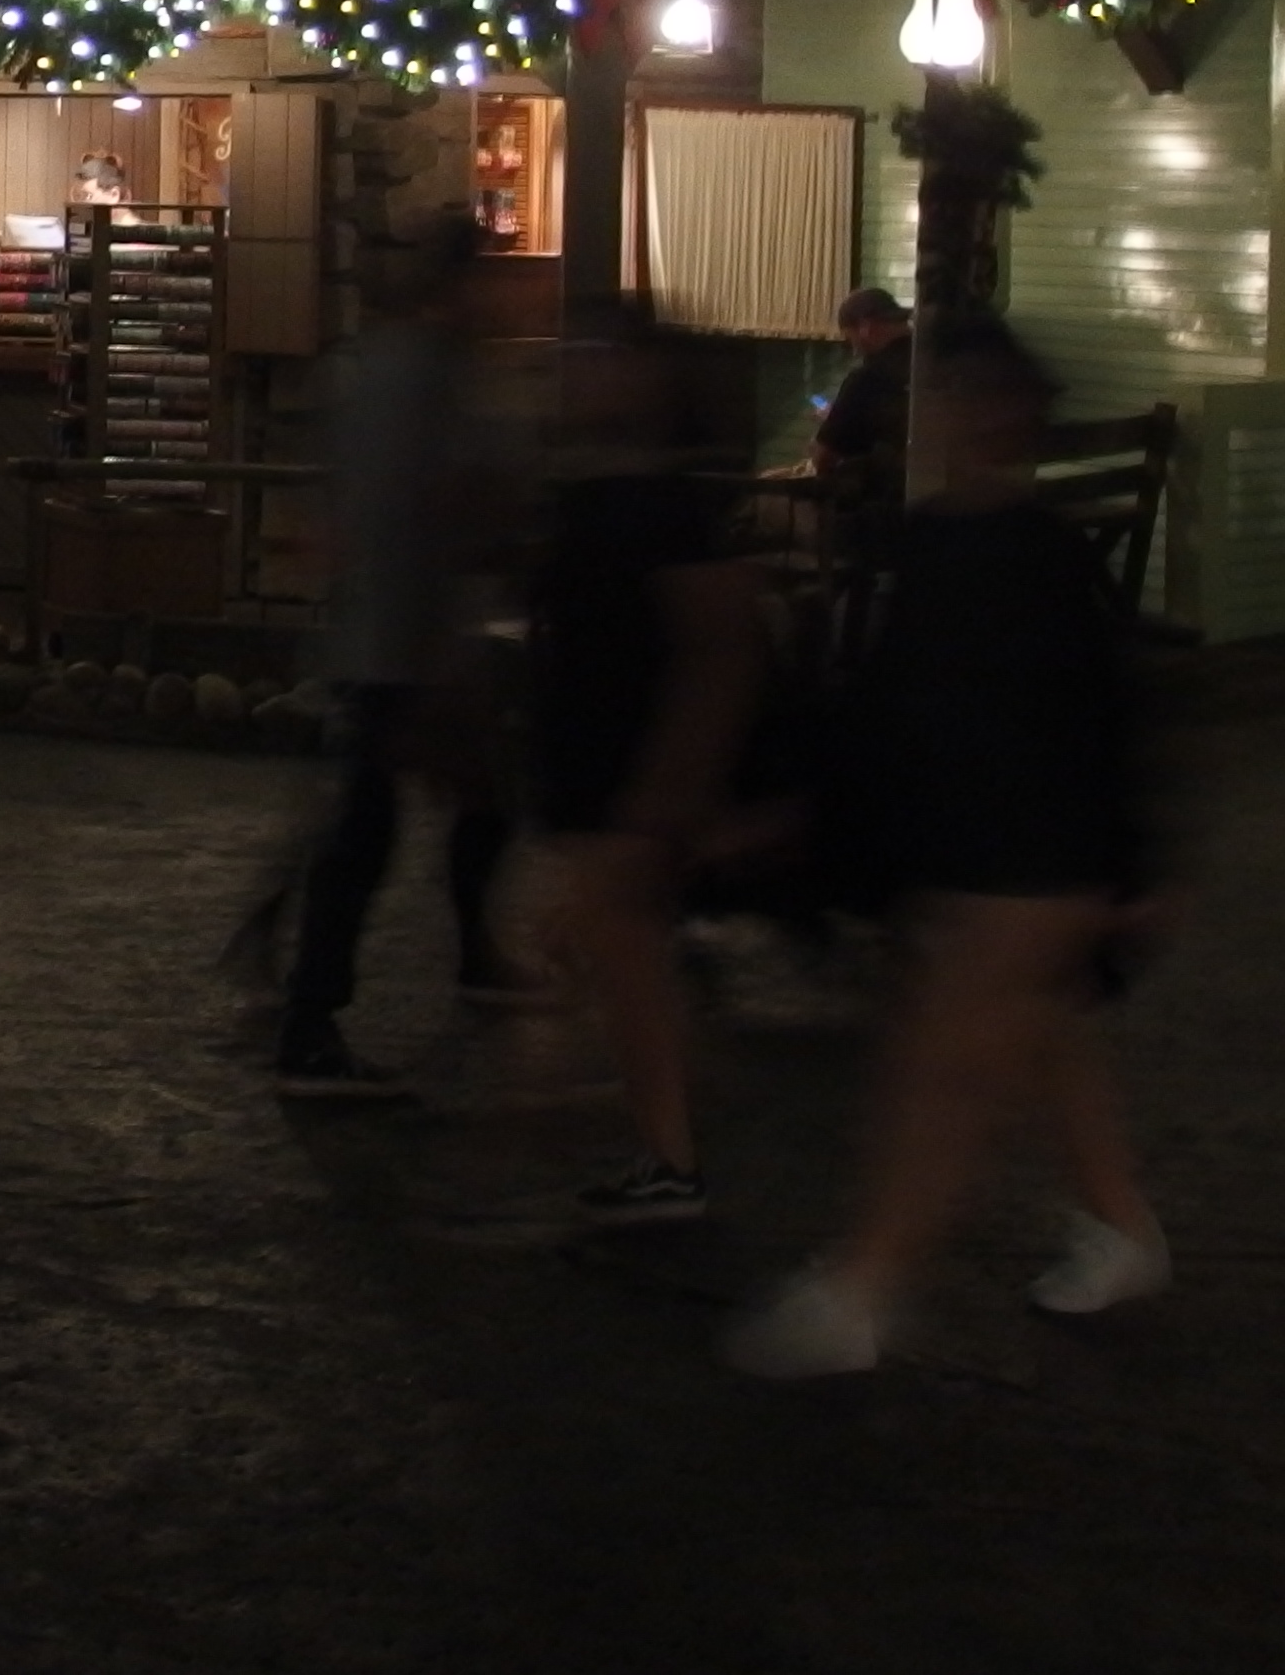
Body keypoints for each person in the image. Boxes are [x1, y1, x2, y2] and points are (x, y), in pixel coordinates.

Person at [728, 313, 1171, 1377]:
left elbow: (1087, 716)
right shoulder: (951, 545)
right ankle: (1119, 1228)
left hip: (1027, 857)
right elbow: (894, 705)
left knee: (943, 1072)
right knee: (1037, 1036)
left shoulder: (1017, 557)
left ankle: (861, 1291)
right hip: (999, 855)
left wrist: (1125, 865)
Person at [526, 314, 767, 1223]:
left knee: (621, 958)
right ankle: (667, 1145)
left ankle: (671, 1156)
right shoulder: (603, 495)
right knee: (615, 954)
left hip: (629, 780)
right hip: (607, 772)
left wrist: (668, 799)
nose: (574, 378)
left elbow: (720, 647)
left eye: (594, 360)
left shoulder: (660, 508)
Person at [274, 208, 517, 1097]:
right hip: (410, 639)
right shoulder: (437, 378)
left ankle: (463, 960)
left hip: (380, 631)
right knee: (377, 829)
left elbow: (336, 509)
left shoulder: (366, 368)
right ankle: (312, 1019)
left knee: (426, 813)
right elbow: (452, 503)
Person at [810, 285, 913, 542]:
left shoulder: (867, 378)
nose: (854, 350)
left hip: (882, 512)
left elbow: (824, 458)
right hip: (947, 508)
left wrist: (831, 427)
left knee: (758, 509)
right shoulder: (941, 364)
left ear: (867, 327)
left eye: (850, 339)